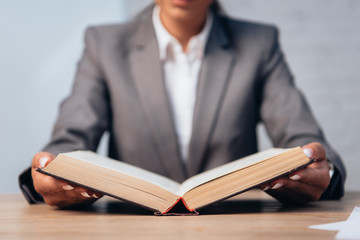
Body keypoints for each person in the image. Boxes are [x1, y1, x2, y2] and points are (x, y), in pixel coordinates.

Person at [19, 0, 345, 208]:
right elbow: (69, 143)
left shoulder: (259, 43)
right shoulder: (104, 44)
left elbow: (304, 140)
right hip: (133, 226)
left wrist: (322, 171)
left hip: (232, 227)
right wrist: (50, 173)